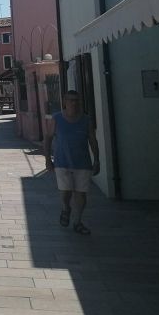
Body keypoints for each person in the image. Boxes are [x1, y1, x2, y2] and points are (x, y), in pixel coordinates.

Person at [43, 90, 100, 235]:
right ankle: (66, 208)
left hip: (82, 162)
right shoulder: (56, 119)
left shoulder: (86, 120)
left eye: (76, 100)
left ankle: (78, 222)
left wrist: (97, 159)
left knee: (81, 194)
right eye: (70, 100)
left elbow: (92, 140)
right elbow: (48, 139)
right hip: (62, 162)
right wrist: (48, 160)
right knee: (66, 192)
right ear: (64, 102)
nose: (73, 103)